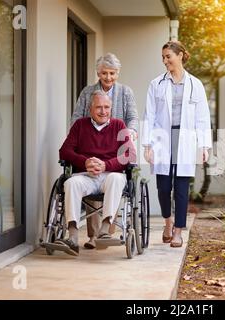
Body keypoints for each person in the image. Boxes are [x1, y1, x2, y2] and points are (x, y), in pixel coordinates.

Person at [141, 41, 212, 248]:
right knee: (163, 187)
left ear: (180, 55)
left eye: (168, 57)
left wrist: (204, 146)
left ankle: (178, 232)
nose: (165, 61)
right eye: (163, 57)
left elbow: (202, 117)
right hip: (163, 138)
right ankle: (167, 222)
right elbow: (150, 114)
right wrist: (147, 145)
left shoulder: (195, 84)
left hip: (186, 139)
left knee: (181, 187)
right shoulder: (156, 84)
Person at [55, 90, 135, 256]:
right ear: (90, 109)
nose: (103, 111)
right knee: (70, 182)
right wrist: (84, 161)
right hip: (86, 176)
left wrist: (106, 165)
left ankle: (105, 230)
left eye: (106, 107)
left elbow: (129, 154)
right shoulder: (80, 125)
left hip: (110, 175)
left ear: (111, 109)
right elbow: (64, 151)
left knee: (115, 179)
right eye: (99, 107)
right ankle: (73, 236)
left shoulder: (118, 125)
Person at [71, 53, 139, 250]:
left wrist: (130, 132)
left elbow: (133, 116)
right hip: (91, 144)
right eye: (104, 73)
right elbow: (77, 117)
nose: (108, 77)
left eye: (112, 73)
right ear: (97, 73)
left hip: (116, 147)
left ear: (117, 73)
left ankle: (106, 231)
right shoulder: (87, 92)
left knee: (114, 180)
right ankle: (93, 236)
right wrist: (77, 135)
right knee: (90, 184)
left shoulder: (125, 92)